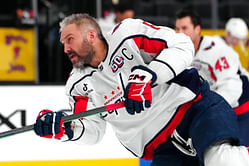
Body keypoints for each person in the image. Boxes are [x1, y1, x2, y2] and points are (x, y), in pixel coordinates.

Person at [34, 13, 249, 166]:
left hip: (194, 109)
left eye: (70, 40)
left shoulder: (127, 35)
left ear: (91, 35)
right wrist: (65, 129)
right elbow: (93, 131)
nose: (66, 49)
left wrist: (147, 76)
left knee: (223, 159)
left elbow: (182, 45)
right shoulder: (77, 85)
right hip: (162, 147)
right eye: (63, 43)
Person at [175, 9, 249, 146]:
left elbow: (231, 86)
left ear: (197, 29)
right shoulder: (179, 53)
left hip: (241, 110)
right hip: (216, 110)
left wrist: (210, 110)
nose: (180, 33)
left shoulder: (218, 50)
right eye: (177, 28)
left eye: (184, 28)